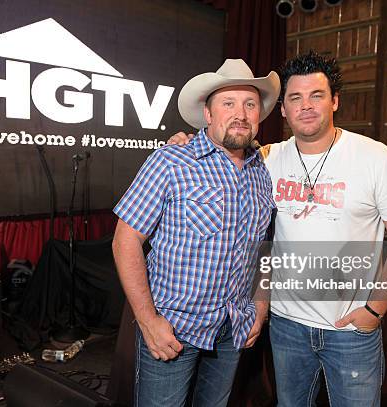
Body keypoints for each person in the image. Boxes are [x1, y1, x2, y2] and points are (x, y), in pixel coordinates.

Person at [169, 50, 387, 407]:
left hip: (350, 330)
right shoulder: (266, 159)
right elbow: (223, 156)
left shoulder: (378, 159)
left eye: (317, 95)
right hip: (286, 326)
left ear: (334, 101)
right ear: (283, 109)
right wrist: (184, 143)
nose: (306, 106)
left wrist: (373, 311)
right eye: (295, 98)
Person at [112, 58, 280, 407]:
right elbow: (125, 241)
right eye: (228, 103)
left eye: (250, 104)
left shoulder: (261, 172)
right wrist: (148, 322)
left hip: (231, 329)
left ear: (259, 115)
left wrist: (259, 307)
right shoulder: (172, 161)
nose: (241, 113)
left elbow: (263, 248)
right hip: (174, 330)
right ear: (208, 114)